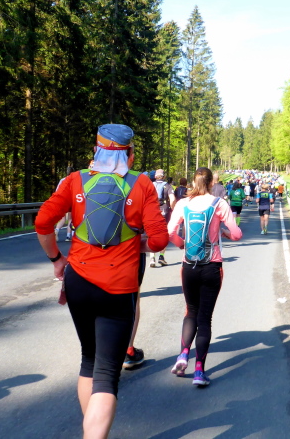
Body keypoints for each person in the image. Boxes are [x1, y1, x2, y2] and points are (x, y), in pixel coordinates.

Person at [35, 124, 168, 439]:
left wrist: (57, 260)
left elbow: (42, 222)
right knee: (107, 374)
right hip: (118, 287)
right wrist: (137, 244)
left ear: (96, 151)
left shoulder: (75, 180)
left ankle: (93, 430)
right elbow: (160, 240)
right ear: (129, 154)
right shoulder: (142, 184)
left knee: (89, 360)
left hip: (78, 281)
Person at [167, 167, 242, 387]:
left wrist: (183, 245)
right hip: (212, 265)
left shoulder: (183, 203)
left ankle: (183, 355)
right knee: (205, 318)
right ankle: (199, 371)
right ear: (211, 183)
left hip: (189, 265)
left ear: (193, 182)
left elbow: (170, 232)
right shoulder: (219, 204)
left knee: (190, 311)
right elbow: (236, 234)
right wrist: (225, 233)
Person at [149, 169, 175, 268]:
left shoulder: (150, 185)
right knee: (164, 233)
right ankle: (161, 256)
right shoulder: (167, 186)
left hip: (152, 210)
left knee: (152, 233)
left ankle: (152, 258)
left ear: (155, 176)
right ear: (164, 176)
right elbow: (172, 199)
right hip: (164, 211)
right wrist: (173, 209)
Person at [54, 166, 75, 241]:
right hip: (70, 200)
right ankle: (68, 236)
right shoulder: (74, 181)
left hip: (62, 200)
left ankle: (57, 230)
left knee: (62, 218)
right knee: (70, 219)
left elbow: (57, 191)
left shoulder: (62, 180)